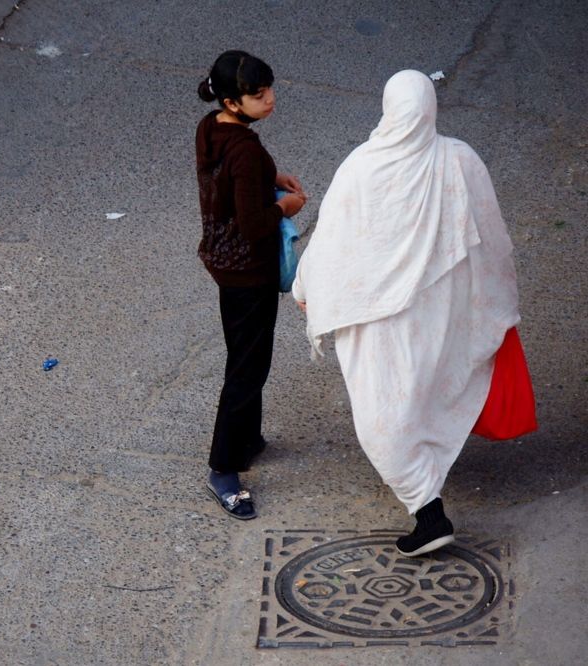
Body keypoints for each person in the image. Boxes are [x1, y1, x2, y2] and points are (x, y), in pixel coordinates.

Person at [292, 70, 521, 555]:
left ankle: (428, 510)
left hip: (375, 317)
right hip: (440, 313)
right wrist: (494, 303)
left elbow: (332, 239)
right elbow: (494, 243)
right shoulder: (461, 160)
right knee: (425, 391)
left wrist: (306, 285)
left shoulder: (361, 166)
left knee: (384, 411)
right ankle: (426, 486)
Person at [195, 50, 307, 520]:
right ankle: (223, 468)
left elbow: (229, 178)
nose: (270, 99)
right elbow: (257, 225)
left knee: (247, 355)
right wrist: (288, 205)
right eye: (258, 95)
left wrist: (269, 175)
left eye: (269, 89)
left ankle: (247, 440)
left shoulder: (212, 128)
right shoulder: (245, 150)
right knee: (246, 367)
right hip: (249, 271)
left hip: (224, 262)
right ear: (234, 102)